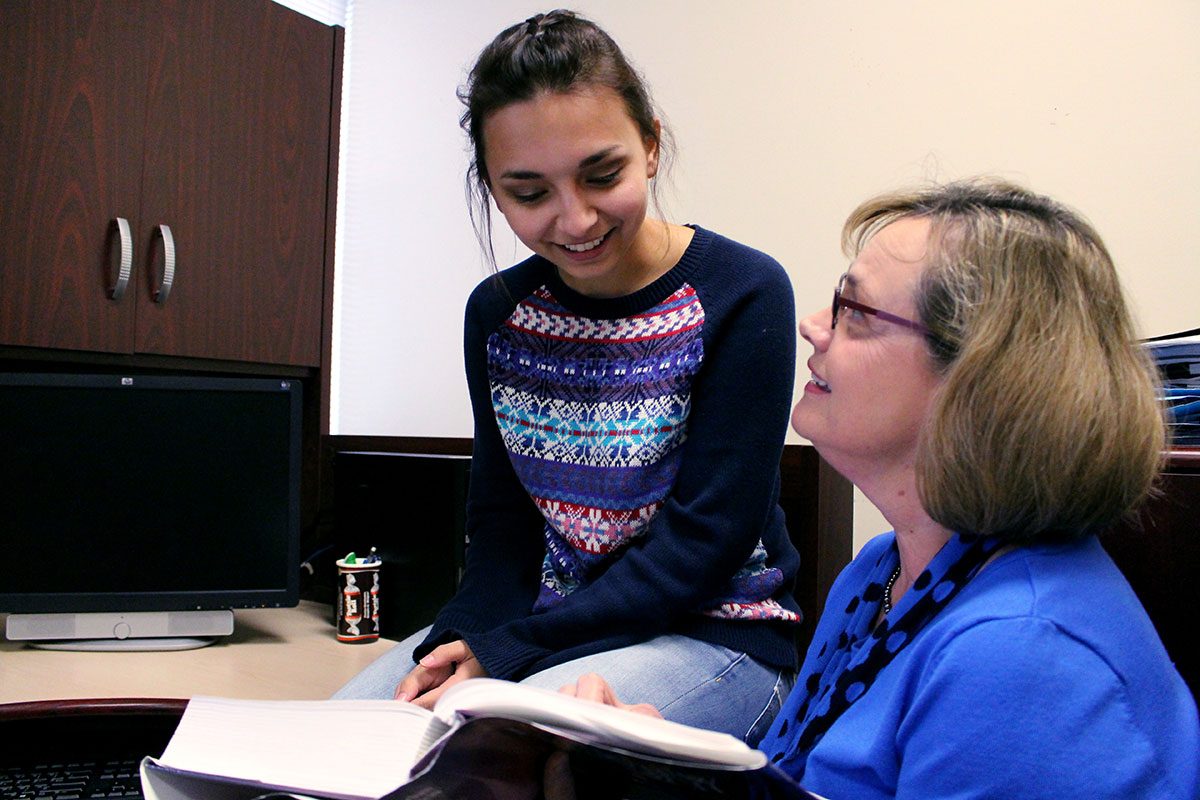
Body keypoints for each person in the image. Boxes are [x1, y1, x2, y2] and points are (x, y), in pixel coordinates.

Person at [557, 178, 1200, 799]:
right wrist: (658, 762)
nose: (814, 325)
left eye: (854, 312)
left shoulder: (1022, 655)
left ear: (982, 379)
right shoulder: (881, 573)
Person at [332, 9, 802, 744]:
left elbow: (704, 543)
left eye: (601, 174)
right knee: (336, 743)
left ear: (650, 144)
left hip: (715, 639)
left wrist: (509, 651)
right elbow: (501, 528)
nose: (574, 220)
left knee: (463, 751)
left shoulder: (742, 292)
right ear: (491, 184)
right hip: (547, 630)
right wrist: (459, 637)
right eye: (528, 192)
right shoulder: (497, 315)